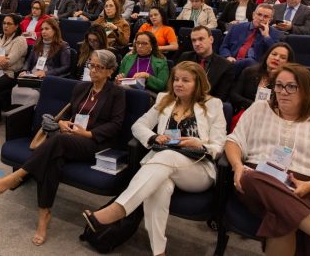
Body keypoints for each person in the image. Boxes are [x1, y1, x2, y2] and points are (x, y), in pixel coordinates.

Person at [83, 61, 227, 256]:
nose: (178, 84)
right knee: (161, 187)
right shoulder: (165, 100)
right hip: (162, 167)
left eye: (186, 80)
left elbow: (219, 145)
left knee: (166, 155)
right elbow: (138, 125)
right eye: (176, 79)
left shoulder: (213, 105)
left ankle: (117, 209)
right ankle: (159, 251)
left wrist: (200, 144)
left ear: (198, 83)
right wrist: (153, 137)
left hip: (198, 168)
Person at [0, 49, 126, 246]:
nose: (93, 70)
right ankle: (44, 216)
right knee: (54, 160)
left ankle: (17, 175)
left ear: (110, 71)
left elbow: (116, 124)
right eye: (91, 65)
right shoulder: (81, 88)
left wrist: (86, 133)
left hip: (95, 144)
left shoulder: (117, 93)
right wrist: (63, 124)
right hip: (70, 139)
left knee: (58, 142)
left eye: (99, 67)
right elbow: (70, 114)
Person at [226, 63, 310, 256]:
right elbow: (233, 141)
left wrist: (308, 186)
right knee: (250, 177)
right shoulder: (259, 109)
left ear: (305, 90)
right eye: (278, 85)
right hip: (258, 180)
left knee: (281, 217)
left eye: (291, 86)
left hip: (303, 186)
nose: (283, 92)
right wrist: (237, 166)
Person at [11, 18, 71, 106]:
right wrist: (24, 70)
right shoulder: (38, 43)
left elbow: (66, 67)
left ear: (55, 30)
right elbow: (29, 61)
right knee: (15, 90)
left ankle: (31, 115)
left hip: (47, 78)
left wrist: (46, 73)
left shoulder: (63, 46)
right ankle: (17, 115)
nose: (43, 31)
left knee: (33, 94)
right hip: (32, 76)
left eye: (47, 29)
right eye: (42, 29)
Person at [230, 43, 295, 117]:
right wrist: (255, 106)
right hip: (245, 113)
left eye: (283, 57)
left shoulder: (287, 82)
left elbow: (282, 106)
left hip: (271, 117)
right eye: (274, 54)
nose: (276, 58)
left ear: (288, 63)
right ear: (267, 55)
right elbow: (234, 95)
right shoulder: (249, 72)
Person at [219, 4, 282, 73]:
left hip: (254, 69)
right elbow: (224, 46)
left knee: (249, 61)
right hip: (232, 61)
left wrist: (266, 36)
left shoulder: (275, 34)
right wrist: (228, 56)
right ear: (253, 15)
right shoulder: (237, 27)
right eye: (259, 14)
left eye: (266, 16)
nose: (261, 18)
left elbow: (276, 54)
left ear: (270, 20)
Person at [177, 26, 234, 101]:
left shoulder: (225, 65)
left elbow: (220, 97)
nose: (197, 43)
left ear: (211, 39)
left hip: (207, 106)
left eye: (201, 39)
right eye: (194, 40)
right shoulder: (185, 57)